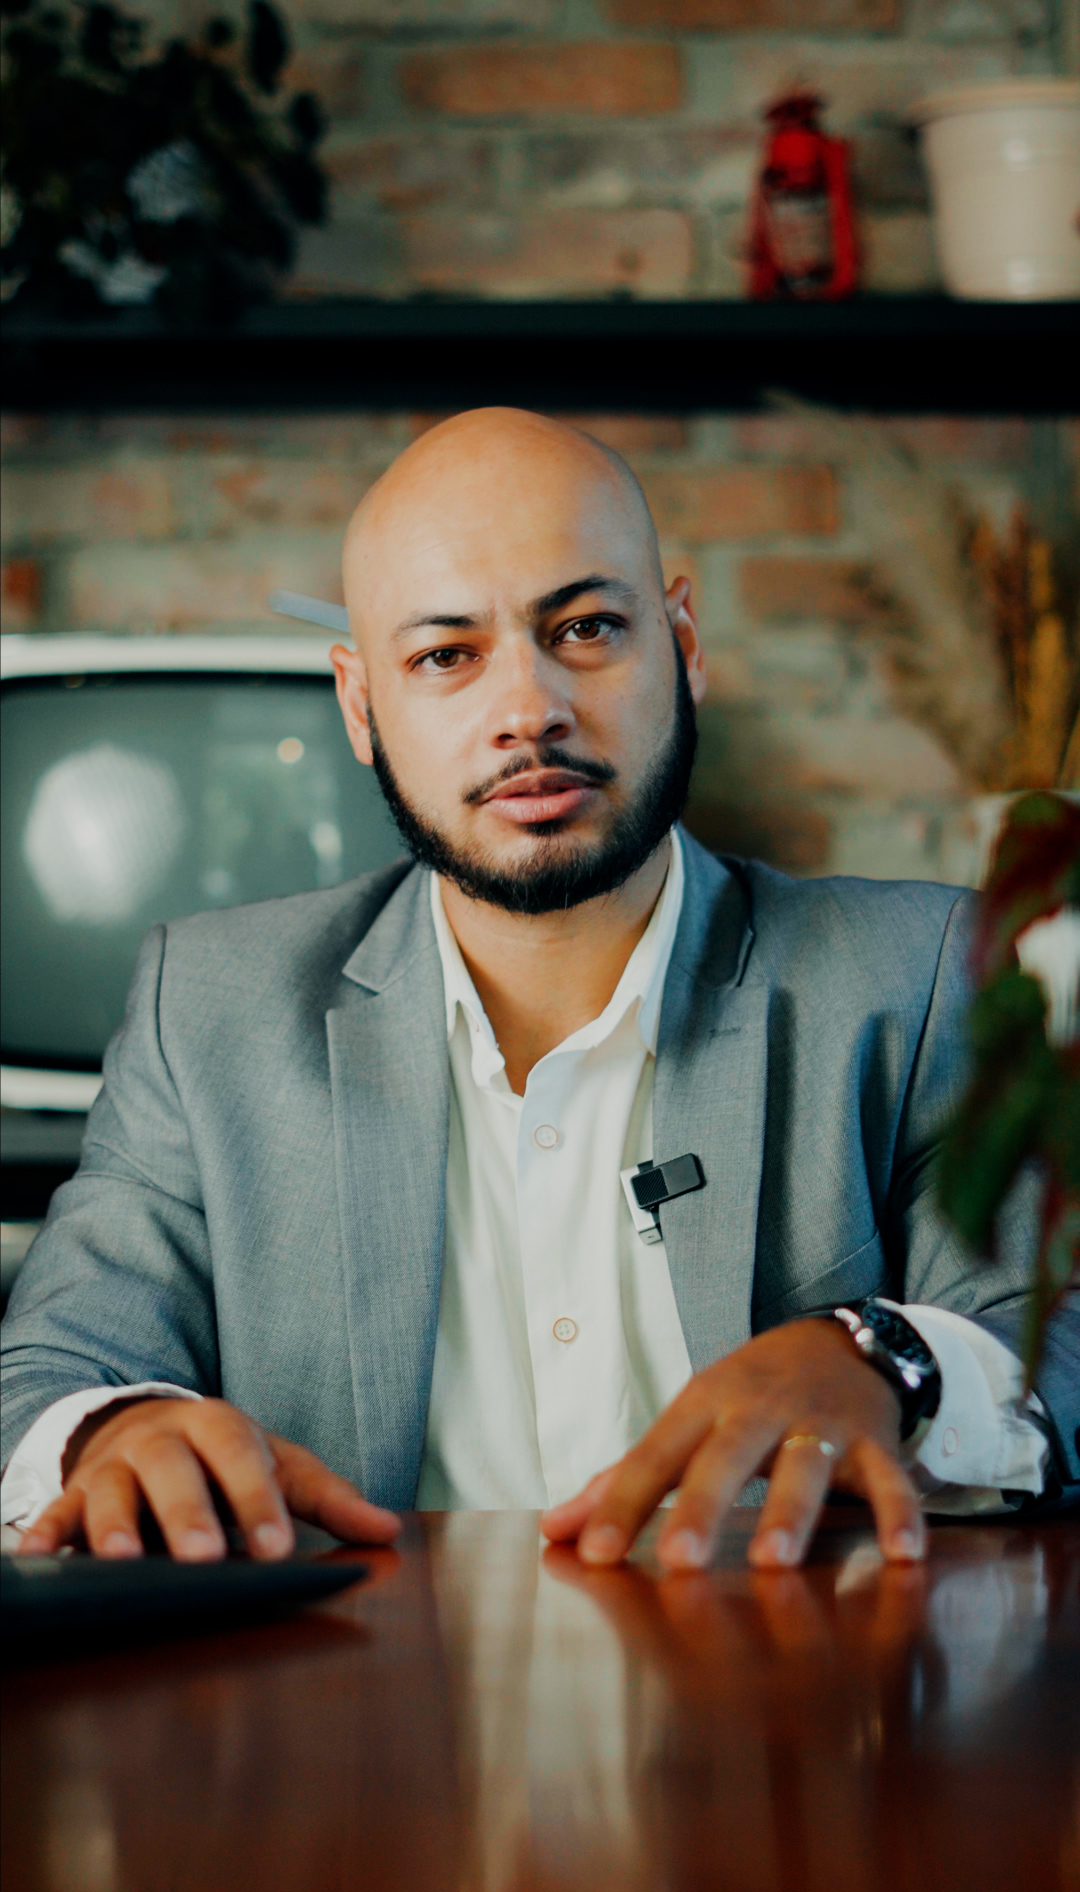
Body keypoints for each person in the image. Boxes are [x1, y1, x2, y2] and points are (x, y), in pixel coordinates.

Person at [1, 409, 1073, 1572]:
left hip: (785, 1677)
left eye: (587, 628)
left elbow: (1057, 1341)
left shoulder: (920, 975)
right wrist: (113, 1432)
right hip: (357, 1686)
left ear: (684, 643)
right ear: (361, 705)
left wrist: (885, 1360)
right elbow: (48, 1371)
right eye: (445, 656)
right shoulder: (207, 1010)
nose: (529, 710)